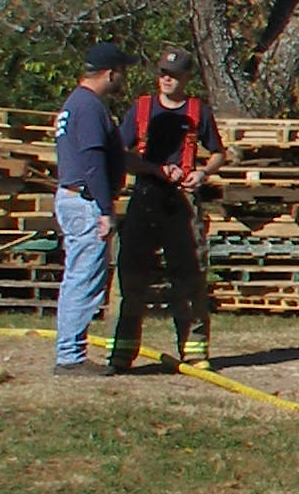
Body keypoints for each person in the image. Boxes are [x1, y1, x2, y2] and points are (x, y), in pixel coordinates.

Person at [107, 47, 225, 374]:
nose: (167, 80)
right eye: (163, 74)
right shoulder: (142, 108)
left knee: (189, 276)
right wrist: (156, 170)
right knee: (131, 275)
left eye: (173, 75)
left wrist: (202, 172)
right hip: (146, 196)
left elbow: (218, 152)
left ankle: (194, 350)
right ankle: (121, 352)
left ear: (186, 78)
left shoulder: (198, 111)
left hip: (183, 201)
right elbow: (121, 154)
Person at [49, 42, 128, 371]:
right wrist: (106, 210)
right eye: (121, 72)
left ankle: (69, 352)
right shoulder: (89, 106)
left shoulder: (76, 104)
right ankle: (70, 357)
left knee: (77, 276)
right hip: (85, 201)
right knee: (84, 279)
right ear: (109, 73)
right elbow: (93, 162)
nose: (123, 79)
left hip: (75, 197)